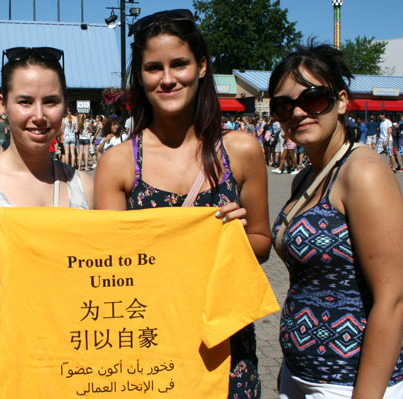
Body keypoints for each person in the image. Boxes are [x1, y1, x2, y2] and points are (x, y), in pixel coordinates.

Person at [93, 9, 271, 398]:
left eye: (180, 64)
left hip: (225, 347)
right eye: (154, 68)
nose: (168, 78)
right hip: (149, 346)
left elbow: (262, 241)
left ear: (202, 66)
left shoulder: (240, 150)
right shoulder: (118, 163)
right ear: (140, 77)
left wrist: (236, 238)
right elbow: (110, 266)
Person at [0, 46, 94, 399]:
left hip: (75, 373)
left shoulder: (84, 188)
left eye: (51, 101)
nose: (39, 115)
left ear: (65, 106)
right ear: (2, 105)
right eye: (25, 101)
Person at [268, 42, 403, 398]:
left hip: (351, 384)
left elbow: (393, 299)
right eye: (284, 106)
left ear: (342, 101)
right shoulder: (305, 177)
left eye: (314, 99)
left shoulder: (363, 173)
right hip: (302, 376)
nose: (298, 113)